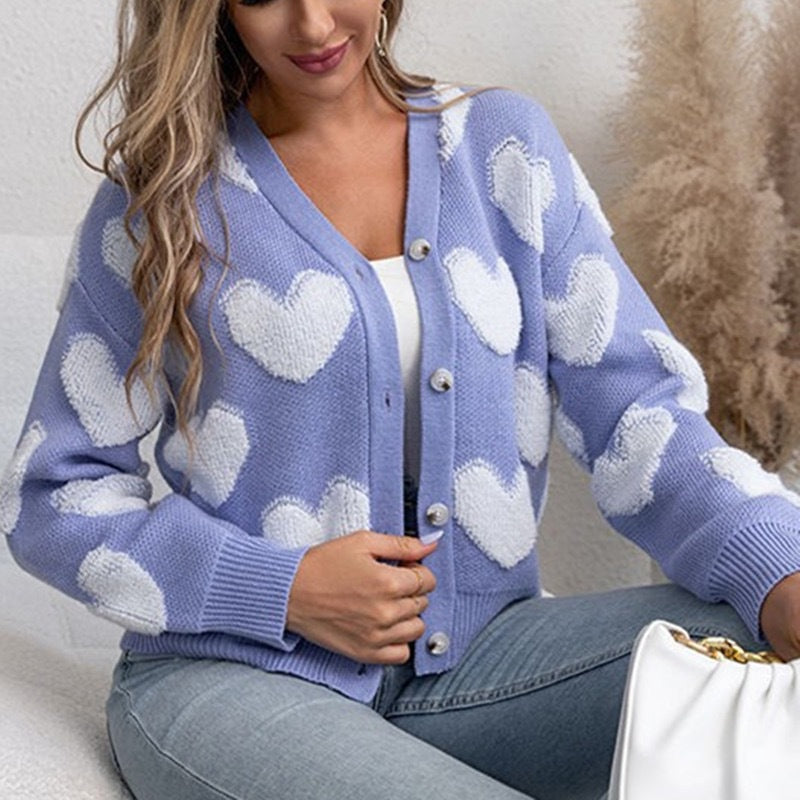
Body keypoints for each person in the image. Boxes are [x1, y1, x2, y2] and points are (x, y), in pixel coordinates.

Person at [2, 1, 800, 798]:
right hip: (232, 679)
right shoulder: (160, 202)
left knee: (762, 641)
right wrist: (281, 588)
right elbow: (54, 497)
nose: (313, 26)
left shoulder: (502, 151)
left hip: (482, 665)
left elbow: (639, 415)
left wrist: (778, 568)